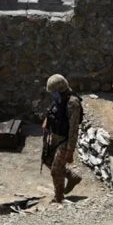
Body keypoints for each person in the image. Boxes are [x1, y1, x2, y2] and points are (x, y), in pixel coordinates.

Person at [42, 74, 83, 203]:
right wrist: (47, 121)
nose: (52, 95)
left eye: (53, 92)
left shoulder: (72, 103)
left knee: (56, 170)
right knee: (48, 160)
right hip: (55, 137)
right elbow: (55, 111)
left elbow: (73, 128)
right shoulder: (60, 98)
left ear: (60, 89)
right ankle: (71, 176)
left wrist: (70, 150)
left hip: (65, 140)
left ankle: (59, 197)